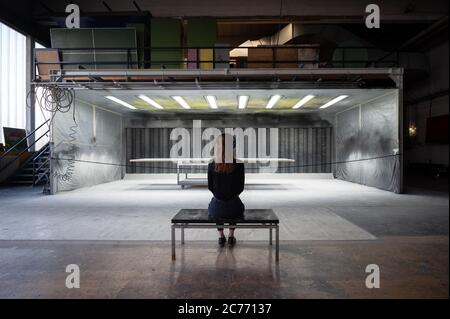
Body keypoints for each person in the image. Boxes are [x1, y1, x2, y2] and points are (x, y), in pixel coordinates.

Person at [207, 133, 245, 247]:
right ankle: (231, 235)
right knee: (234, 204)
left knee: (216, 204)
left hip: (216, 209)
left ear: (217, 146)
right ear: (232, 147)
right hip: (234, 208)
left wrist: (220, 195)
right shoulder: (239, 164)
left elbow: (210, 187)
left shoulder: (212, 164)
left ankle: (221, 236)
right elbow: (240, 188)